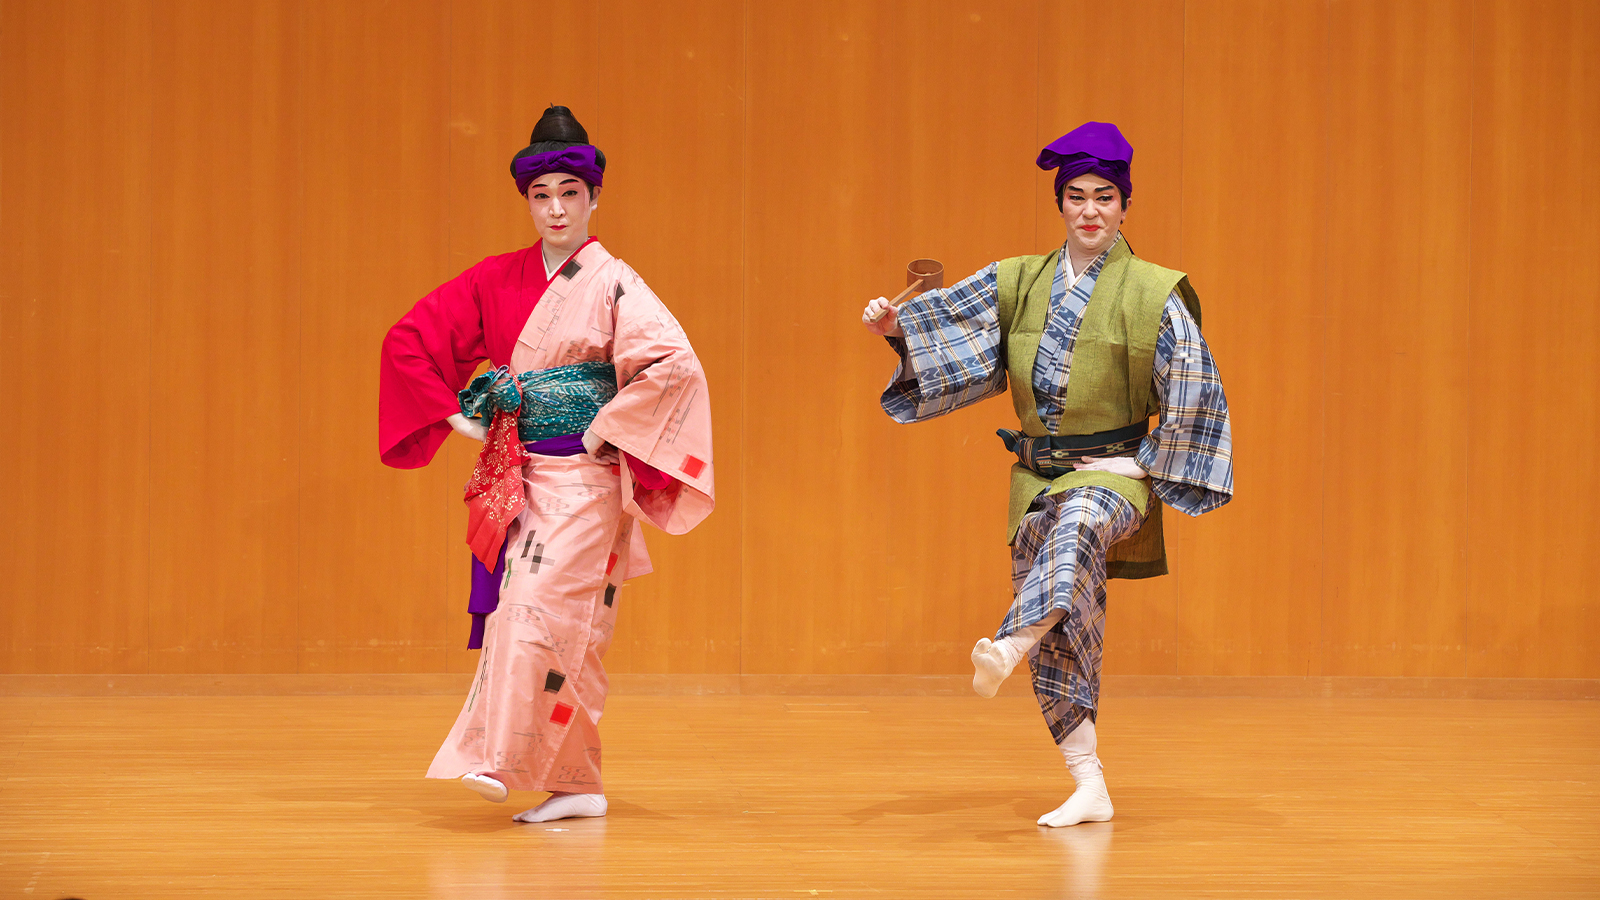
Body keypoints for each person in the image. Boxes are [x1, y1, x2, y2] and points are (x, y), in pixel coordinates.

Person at [860, 122, 1232, 827]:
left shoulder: (1156, 292)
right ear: (1060, 203)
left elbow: (1193, 385)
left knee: (1084, 522)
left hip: (1116, 474)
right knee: (1072, 626)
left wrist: (1147, 464)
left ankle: (1011, 639)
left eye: (1104, 198)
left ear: (1125, 206)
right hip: (1036, 479)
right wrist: (897, 328)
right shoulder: (1020, 280)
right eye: (1076, 197)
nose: (1090, 211)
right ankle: (1087, 780)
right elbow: (949, 326)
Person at [379, 105, 714, 823]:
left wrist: (604, 429)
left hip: (586, 484)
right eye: (542, 196)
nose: (556, 209)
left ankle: (496, 756)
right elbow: (409, 339)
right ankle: (577, 783)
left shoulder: (618, 284)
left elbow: (672, 366)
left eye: (570, 193)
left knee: (534, 611)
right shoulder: (493, 281)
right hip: (518, 477)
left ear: (594, 199)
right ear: (527, 202)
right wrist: (452, 416)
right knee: (567, 630)